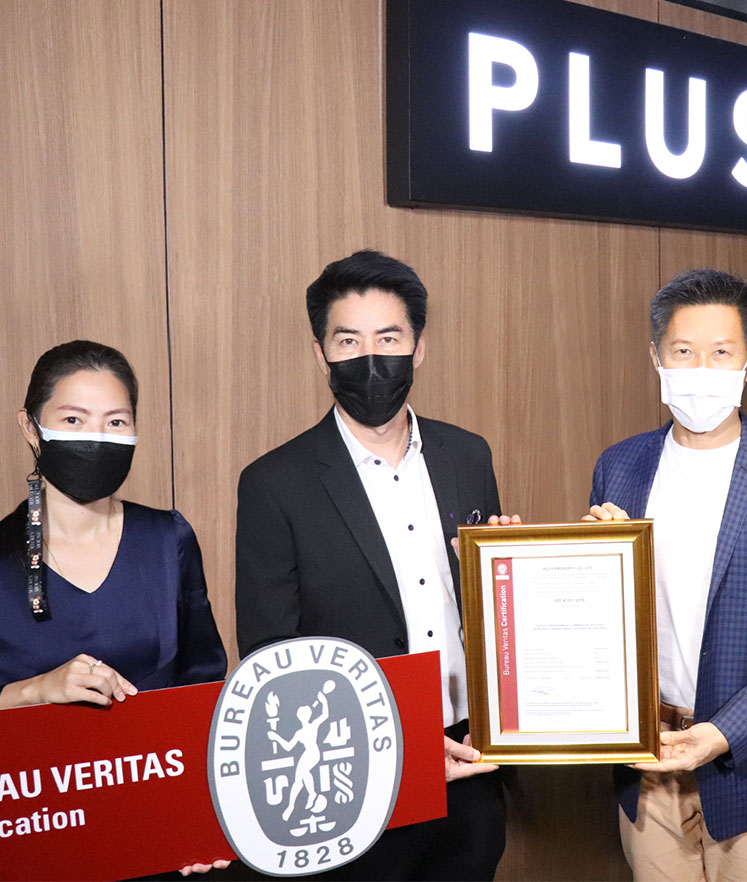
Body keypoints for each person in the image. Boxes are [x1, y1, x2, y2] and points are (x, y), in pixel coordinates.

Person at [235, 249, 514, 881]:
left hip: (471, 759)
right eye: (348, 341)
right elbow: (271, 656)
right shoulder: (275, 483)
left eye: (388, 338)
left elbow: (488, 609)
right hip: (351, 774)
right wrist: (398, 746)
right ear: (321, 354)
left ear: (418, 348)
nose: (370, 357)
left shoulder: (468, 455)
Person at [588, 269, 747, 882]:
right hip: (646, 761)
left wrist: (724, 733)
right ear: (656, 358)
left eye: (721, 353)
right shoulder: (619, 465)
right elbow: (603, 620)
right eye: (683, 352)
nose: (700, 369)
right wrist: (591, 562)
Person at [0, 340, 228, 876]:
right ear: (30, 427)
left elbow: (203, 686)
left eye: (116, 422)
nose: (96, 438)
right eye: (73, 420)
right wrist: (34, 691)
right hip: (36, 835)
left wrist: (204, 815)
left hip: (159, 830)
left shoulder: (168, 538)